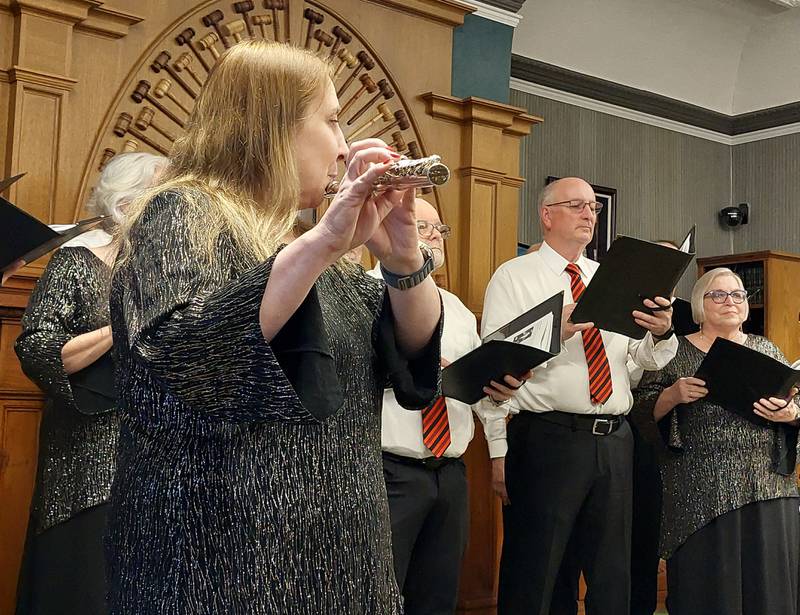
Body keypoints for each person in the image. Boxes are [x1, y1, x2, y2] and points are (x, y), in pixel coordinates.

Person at [107, 41, 442, 614]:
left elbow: (409, 354)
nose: (343, 149)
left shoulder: (312, 246)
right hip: (222, 559)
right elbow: (192, 358)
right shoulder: (183, 212)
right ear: (273, 125)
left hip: (342, 553)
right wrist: (322, 244)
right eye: (334, 122)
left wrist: (405, 260)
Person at [481, 177, 677, 615]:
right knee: (538, 569)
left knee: (612, 572)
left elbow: (629, 365)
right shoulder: (514, 277)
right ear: (546, 215)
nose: (590, 214)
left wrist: (660, 334)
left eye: (593, 207)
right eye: (577, 205)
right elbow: (493, 361)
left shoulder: (608, 278)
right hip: (549, 436)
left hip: (614, 437)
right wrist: (555, 326)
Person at [14, 152, 166, 615]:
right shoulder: (76, 263)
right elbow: (38, 349)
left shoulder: (168, 272)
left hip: (157, 463)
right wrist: (118, 327)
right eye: (165, 195)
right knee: (81, 588)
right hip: (85, 466)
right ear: (129, 200)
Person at [372, 198, 527, 615]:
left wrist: (497, 387)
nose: (435, 238)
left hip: (450, 473)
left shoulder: (456, 308)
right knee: (379, 592)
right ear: (387, 229)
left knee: (439, 595)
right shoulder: (365, 294)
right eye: (423, 228)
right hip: (388, 472)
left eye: (439, 230)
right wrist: (414, 373)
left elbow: (474, 390)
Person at [632, 267, 800, 615]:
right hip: (702, 490)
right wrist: (673, 395)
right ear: (699, 304)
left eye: (738, 295)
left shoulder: (765, 347)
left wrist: (791, 413)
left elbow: (792, 401)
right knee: (711, 591)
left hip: (768, 486)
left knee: (768, 589)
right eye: (718, 295)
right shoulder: (675, 352)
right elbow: (640, 412)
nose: (730, 302)